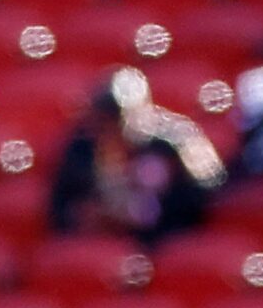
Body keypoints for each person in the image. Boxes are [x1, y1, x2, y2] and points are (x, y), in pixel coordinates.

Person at [49, 67, 222, 246]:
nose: (113, 129)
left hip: (165, 244)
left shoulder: (175, 143)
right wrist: (89, 214)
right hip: (100, 246)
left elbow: (208, 196)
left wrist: (152, 215)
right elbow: (61, 208)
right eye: (105, 120)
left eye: (119, 118)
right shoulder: (81, 150)